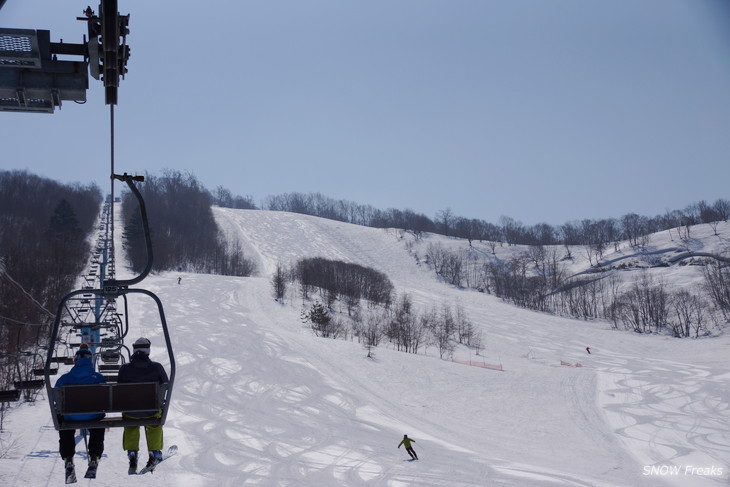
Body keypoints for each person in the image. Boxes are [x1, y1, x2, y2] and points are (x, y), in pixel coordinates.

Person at [117, 337, 169, 473]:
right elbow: (166, 385)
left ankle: (132, 453)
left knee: (131, 424)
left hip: (130, 413)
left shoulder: (125, 369)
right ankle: (155, 453)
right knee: (154, 424)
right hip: (151, 411)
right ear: (148, 351)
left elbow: (119, 388)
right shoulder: (156, 367)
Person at [54, 344, 106, 477]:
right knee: (98, 426)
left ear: (75, 361)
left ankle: (68, 458)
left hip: (70, 417)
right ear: (90, 360)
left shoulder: (64, 379)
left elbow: (55, 397)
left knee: (65, 427)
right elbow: (105, 397)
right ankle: (94, 457)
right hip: (94, 417)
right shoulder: (98, 378)